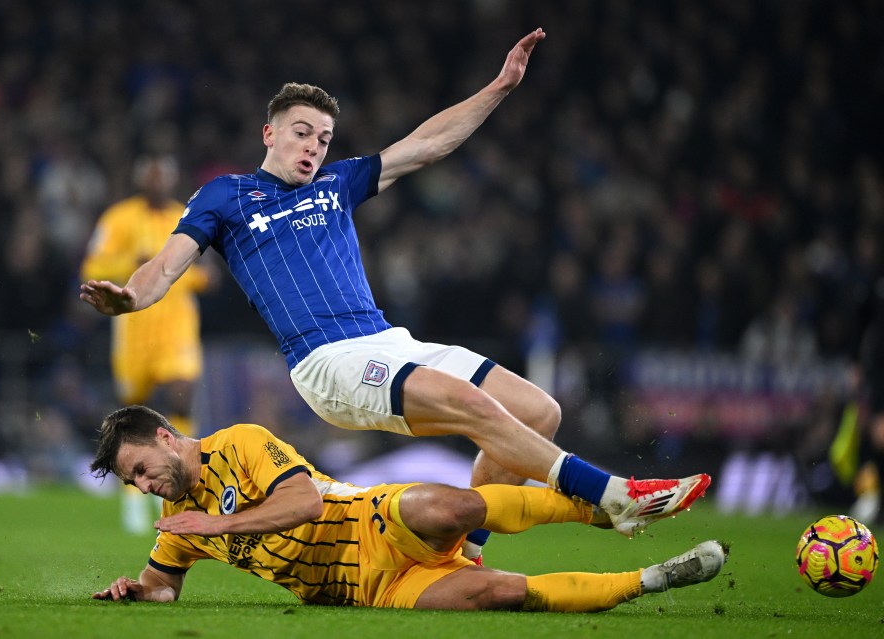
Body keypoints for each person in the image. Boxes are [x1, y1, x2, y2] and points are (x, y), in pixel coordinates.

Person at [80, 29, 711, 557]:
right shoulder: (225, 195)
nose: (313, 147)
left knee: (538, 411)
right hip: (326, 361)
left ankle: (466, 554)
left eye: (323, 139)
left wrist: (499, 89)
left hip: (384, 340)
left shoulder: (337, 184)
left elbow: (427, 144)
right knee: (472, 406)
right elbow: (166, 265)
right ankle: (615, 497)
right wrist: (131, 299)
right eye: (302, 133)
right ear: (269, 134)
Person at [90, 405, 727, 611]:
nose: (144, 486)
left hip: (368, 516)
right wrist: (135, 592)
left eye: (140, 469)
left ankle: (610, 508)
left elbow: (306, 499)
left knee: (453, 508)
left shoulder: (240, 443)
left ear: (167, 438)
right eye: (133, 483)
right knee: (500, 596)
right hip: (368, 588)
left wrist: (219, 523)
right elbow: (162, 587)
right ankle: (654, 579)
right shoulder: (183, 526)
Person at [80, 153, 216, 533]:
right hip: (134, 332)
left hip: (176, 331)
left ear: (171, 179)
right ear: (142, 179)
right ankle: (131, 496)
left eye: (164, 176)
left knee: (180, 396)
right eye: (151, 176)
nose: (158, 182)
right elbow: (92, 267)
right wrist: (129, 259)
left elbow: (204, 271)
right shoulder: (119, 218)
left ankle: (180, 483)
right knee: (133, 414)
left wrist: (204, 275)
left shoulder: (184, 216)